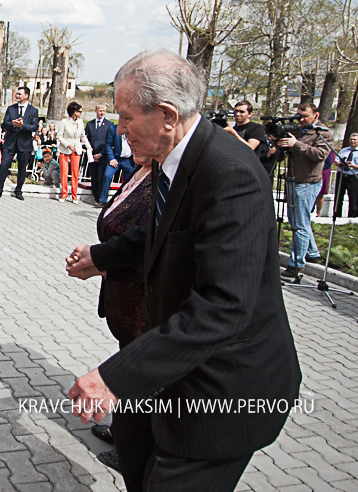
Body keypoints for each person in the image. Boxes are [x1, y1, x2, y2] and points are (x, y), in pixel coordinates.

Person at [65, 49, 301, 492]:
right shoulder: (172, 158)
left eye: (126, 117)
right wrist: (102, 256)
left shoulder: (229, 174)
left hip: (222, 393)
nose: (119, 129)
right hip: (169, 372)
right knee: (133, 454)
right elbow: (162, 231)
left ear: (168, 116)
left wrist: (115, 377)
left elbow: (222, 307)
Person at [90, 144, 152, 490]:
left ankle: (133, 447)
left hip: (143, 296)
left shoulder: (167, 181)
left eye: (133, 126)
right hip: (123, 292)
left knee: (139, 373)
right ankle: (122, 429)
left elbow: (145, 240)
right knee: (129, 358)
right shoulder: (140, 172)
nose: (129, 141)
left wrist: (100, 260)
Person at [278, 102, 334, 277]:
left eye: (304, 117)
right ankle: (312, 252)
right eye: (299, 116)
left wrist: (296, 144)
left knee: (299, 224)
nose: (301, 120)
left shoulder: (323, 133)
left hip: (308, 182)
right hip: (293, 179)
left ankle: (296, 264)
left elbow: (320, 155)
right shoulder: (299, 131)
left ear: (316, 115)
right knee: (299, 220)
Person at [0, 86, 37, 199]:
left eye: (19, 94)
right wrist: (13, 124)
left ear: (26, 96)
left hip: (24, 144)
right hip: (10, 143)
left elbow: (34, 127)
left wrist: (22, 126)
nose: (17, 96)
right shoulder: (11, 109)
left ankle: (18, 190)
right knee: (4, 165)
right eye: (17, 94)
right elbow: (4, 124)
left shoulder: (33, 110)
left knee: (22, 168)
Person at [56, 101, 91, 203]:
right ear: (74, 112)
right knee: (64, 172)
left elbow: (83, 136)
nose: (81, 113)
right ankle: (64, 194)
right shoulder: (64, 122)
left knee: (75, 172)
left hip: (76, 149)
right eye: (79, 111)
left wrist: (89, 146)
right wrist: (68, 144)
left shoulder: (80, 122)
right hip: (65, 149)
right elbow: (59, 136)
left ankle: (74, 195)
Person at [85, 104, 115, 205]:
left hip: (103, 155)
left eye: (104, 111)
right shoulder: (90, 124)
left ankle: (100, 199)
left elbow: (109, 141)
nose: (102, 112)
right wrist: (90, 151)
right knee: (94, 177)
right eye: (100, 110)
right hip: (92, 155)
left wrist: (101, 154)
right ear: (96, 110)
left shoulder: (109, 124)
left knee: (101, 177)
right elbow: (87, 138)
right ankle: (96, 197)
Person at [96, 123, 124, 207]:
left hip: (128, 159)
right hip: (115, 158)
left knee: (130, 178)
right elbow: (108, 144)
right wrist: (111, 158)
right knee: (107, 175)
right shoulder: (113, 129)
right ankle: (102, 200)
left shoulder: (134, 128)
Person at [336, 133, 358, 218]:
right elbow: (336, 162)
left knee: (353, 197)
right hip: (342, 175)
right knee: (338, 196)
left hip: (353, 176)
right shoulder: (344, 150)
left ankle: (352, 216)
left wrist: (352, 165)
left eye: (354, 139)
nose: (352, 141)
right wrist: (342, 164)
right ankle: (337, 215)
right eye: (351, 139)